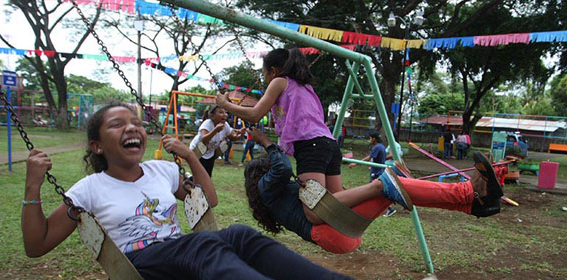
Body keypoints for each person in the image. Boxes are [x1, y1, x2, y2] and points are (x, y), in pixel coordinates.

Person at [21, 102, 442, 280]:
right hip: (139, 271)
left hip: (178, 254)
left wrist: (189, 156)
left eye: (135, 121)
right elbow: (36, 246)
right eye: (117, 125)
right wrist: (33, 188)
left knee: (238, 234)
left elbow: (209, 199)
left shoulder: (163, 171)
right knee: (205, 244)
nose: (132, 127)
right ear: (97, 145)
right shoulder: (88, 191)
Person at [244, 128, 504, 254]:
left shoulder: (276, 196)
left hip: (340, 233)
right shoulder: (266, 187)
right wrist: (266, 142)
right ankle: (467, 195)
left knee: (390, 187)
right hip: (330, 231)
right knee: (384, 184)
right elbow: (281, 166)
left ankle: (471, 203)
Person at [216, 48, 343, 197]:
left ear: (273, 71)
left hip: (311, 145)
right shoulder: (304, 86)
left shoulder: (279, 82)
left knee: (315, 205)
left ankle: (373, 190)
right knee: (335, 199)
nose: (264, 78)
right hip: (329, 143)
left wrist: (224, 104)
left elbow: (255, 115)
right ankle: (368, 194)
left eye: (263, 73)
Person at [189, 104, 244, 176]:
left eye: (225, 112)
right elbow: (204, 139)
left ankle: (202, 185)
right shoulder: (207, 124)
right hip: (198, 150)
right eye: (221, 112)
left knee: (208, 175)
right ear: (212, 116)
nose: (225, 115)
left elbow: (231, 138)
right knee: (199, 175)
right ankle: (191, 181)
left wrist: (241, 135)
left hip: (210, 152)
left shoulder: (225, 125)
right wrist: (215, 130)